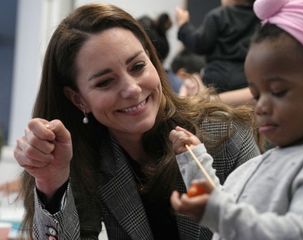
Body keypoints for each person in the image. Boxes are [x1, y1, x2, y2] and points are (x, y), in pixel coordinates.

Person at [13, 3, 260, 239]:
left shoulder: (227, 135)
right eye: (105, 82)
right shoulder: (82, 157)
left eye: (138, 66)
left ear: (153, 61)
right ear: (79, 100)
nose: (131, 89)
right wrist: (51, 181)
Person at [169, 0, 303, 239]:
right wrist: (194, 160)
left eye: (278, 91)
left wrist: (219, 213)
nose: (260, 107)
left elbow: (295, 235)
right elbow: (231, 214)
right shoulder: (258, 165)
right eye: (256, 94)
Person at [175, 0, 259, 94]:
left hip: (217, 79)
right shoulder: (260, 18)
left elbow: (199, 44)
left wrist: (183, 25)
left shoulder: (218, 16)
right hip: (246, 79)